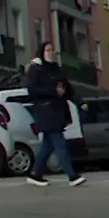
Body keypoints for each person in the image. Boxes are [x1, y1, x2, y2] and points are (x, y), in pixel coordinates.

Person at [21, 42, 85, 186]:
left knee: (48, 146)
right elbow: (32, 91)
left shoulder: (56, 69)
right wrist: (53, 92)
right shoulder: (35, 69)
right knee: (59, 144)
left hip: (57, 111)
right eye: (47, 50)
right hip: (46, 112)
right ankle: (72, 176)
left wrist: (80, 102)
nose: (51, 53)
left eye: (52, 50)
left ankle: (35, 174)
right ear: (42, 52)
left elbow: (67, 89)